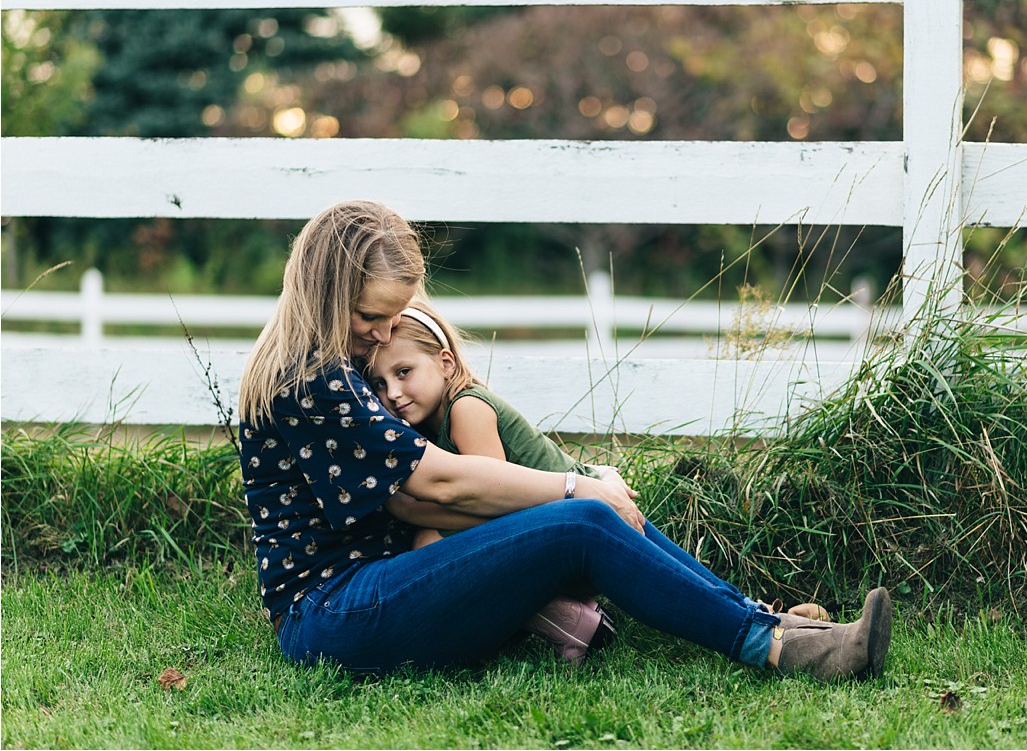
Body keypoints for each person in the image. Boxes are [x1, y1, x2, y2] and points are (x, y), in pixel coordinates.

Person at [238, 199, 892, 680]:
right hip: (332, 613)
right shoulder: (310, 380)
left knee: (588, 513)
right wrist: (577, 488)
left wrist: (581, 497)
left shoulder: (341, 367)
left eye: (389, 319)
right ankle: (778, 646)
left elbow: (410, 504)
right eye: (369, 317)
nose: (383, 335)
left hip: (381, 586)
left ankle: (772, 624)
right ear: (325, 292)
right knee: (583, 516)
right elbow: (433, 482)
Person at [365, 299, 833, 663]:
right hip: (561, 510)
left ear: (446, 363)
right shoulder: (428, 424)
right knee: (673, 564)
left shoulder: (467, 408)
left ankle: (765, 622)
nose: (394, 394)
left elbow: (491, 504)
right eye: (381, 386)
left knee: (675, 569)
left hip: (580, 501)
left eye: (404, 372)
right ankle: (760, 619)